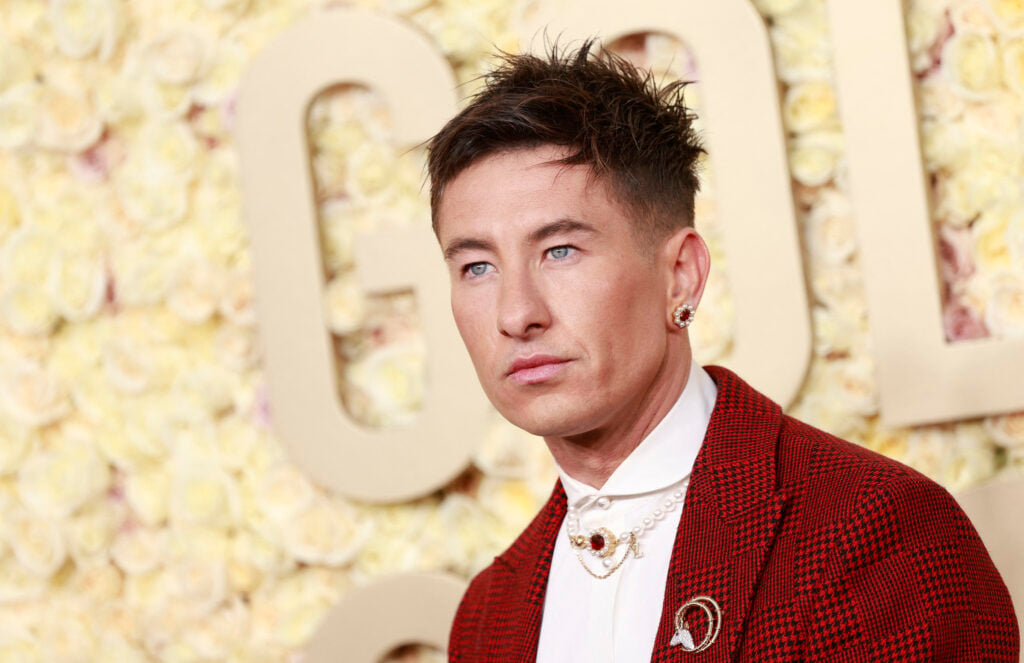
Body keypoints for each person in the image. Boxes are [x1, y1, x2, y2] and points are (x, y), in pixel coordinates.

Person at [426, 41, 1019, 662]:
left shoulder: (877, 531)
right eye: (476, 266)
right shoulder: (489, 614)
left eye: (561, 251)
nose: (516, 313)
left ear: (680, 274)